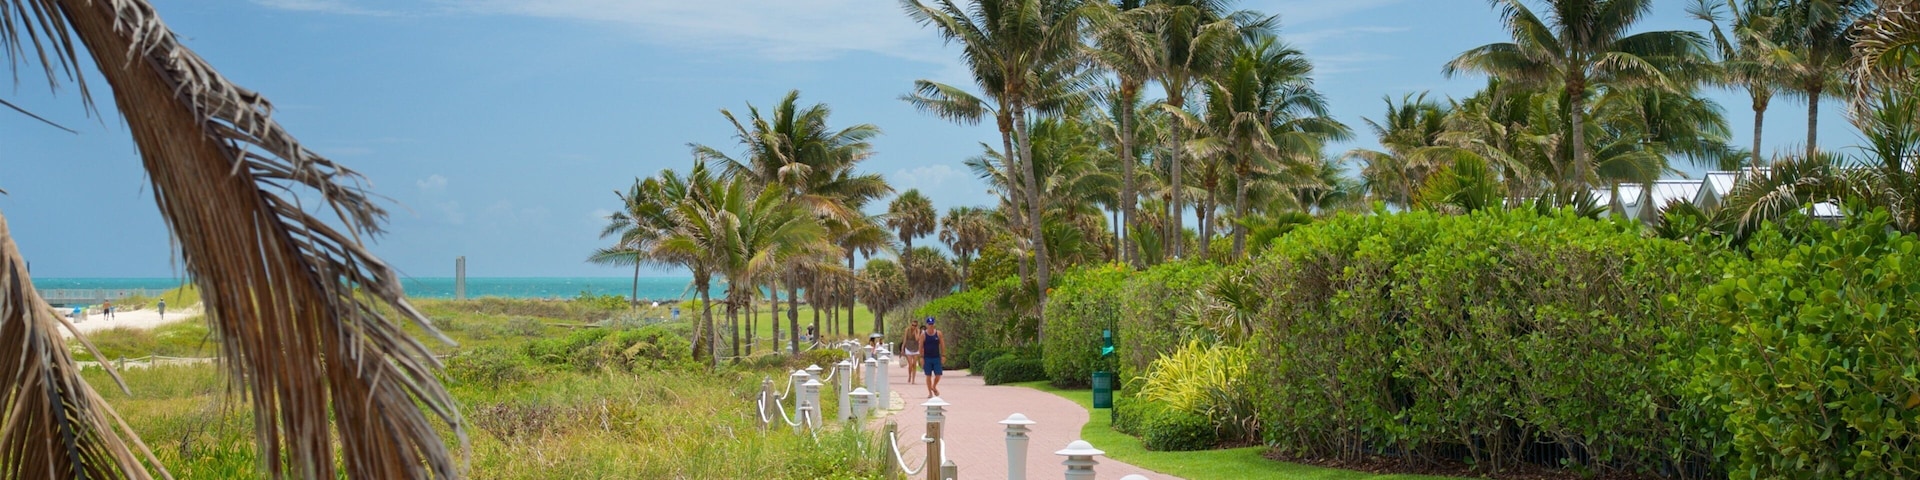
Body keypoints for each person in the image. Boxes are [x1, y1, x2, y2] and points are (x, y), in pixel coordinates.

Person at [921, 316, 945, 397]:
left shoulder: (938, 333)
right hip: (927, 358)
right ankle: (930, 392)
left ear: (934, 324)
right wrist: (921, 358)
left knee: (938, 375)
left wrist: (943, 355)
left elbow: (942, 345)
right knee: (928, 375)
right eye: (929, 324)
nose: (931, 326)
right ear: (927, 325)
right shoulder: (923, 335)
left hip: (936, 357)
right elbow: (920, 347)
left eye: (932, 324)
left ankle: (933, 386)